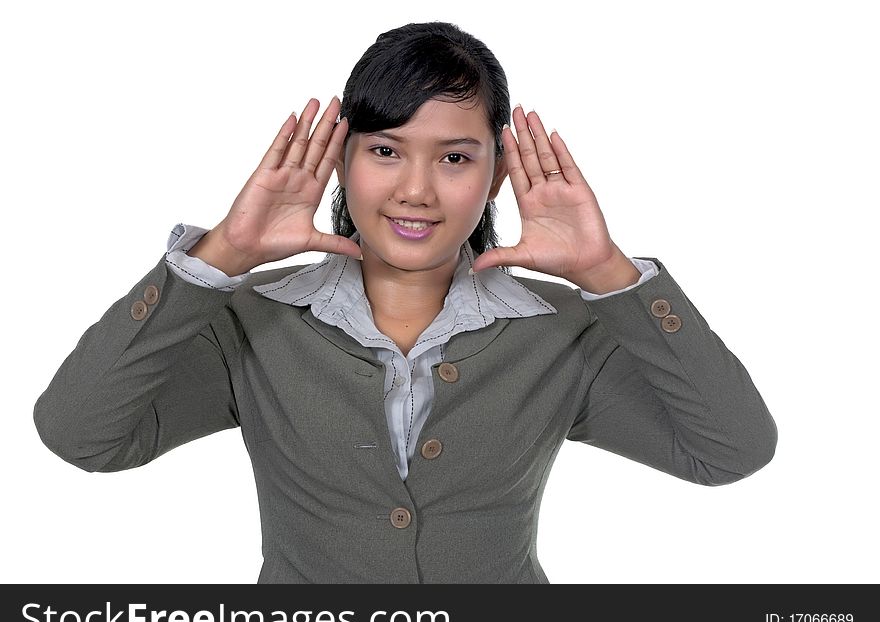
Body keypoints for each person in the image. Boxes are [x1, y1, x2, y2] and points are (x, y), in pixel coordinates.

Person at [33, 21, 777, 583]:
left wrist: (612, 275)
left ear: (495, 177)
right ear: (342, 161)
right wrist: (220, 254)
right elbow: (80, 435)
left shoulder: (562, 329)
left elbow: (730, 452)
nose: (416, 190)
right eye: (385, 151)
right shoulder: (248, 319)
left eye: (455, 158)